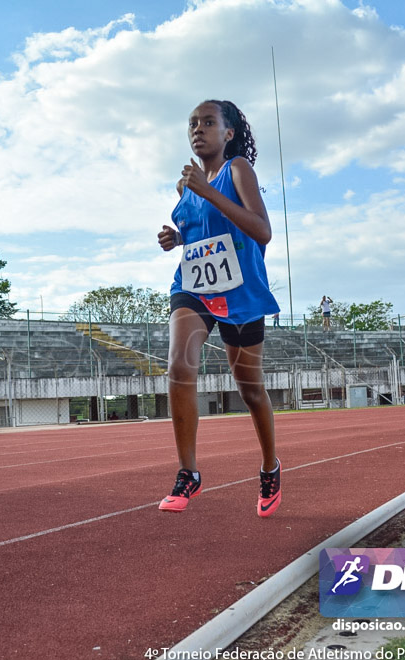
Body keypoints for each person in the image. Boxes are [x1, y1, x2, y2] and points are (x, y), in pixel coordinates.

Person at [156, 99, 281, 517]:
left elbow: (262, 232)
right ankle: (188, 472)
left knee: (249, 389)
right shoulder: (184, 185)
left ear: (228, 133)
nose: (198, 129)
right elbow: (200, 234)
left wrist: (206, 190)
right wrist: (178, 239)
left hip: (241, 290)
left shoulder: (239, 169)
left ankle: (269, 466)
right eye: (192, 123)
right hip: (194, 286)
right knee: (179, 366)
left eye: (208, 122)